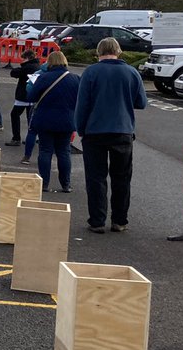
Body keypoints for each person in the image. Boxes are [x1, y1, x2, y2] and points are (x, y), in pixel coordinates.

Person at [75, 37, 148, 233]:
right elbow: (141, 102)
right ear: (119, 51)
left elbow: (81, 106)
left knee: (96, 177)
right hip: (123, 130)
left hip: (95, 132)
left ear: (98, 52)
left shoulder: (90, 72)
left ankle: (97, 221)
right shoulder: (132, 73)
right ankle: (120, 220)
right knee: (122, 178)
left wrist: (80, 129)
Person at [24, 51, 79, 192]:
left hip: (45, 119)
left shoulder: (44, 77)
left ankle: (44, 184)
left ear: (49, 62)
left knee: (45, 150)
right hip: (66, 120)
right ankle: (66, 184)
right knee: (64, 152)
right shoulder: (75, 79)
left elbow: (31, 96)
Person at [6, 47, 41, 147]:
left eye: (24, 58)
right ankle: (31, 137)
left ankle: (16, 138)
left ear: (28, 58)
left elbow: (14, 73)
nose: (22, 60)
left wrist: (18, 69)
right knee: (30, 117)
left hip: (24, 96)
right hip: (32, 96)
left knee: (15, 114)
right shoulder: (37, 66)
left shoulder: (28, 67)